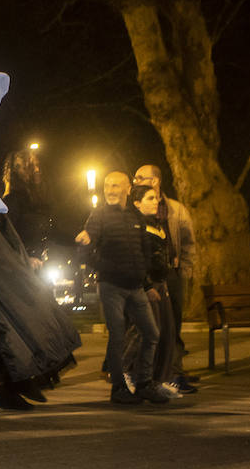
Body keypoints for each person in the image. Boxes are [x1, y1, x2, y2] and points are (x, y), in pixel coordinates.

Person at [75, 172, 167, 405]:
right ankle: (118, 389)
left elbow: (143, 247)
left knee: (151, 333)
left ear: (128, 189)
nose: (110, 189)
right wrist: (104, 266)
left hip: (136, 287)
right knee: (117, 336)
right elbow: (86, 248)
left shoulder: (134, 215)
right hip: (111, 287)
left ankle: (144, 384)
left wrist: (146, 282)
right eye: (107, 185)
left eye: (116, 185)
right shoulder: (99, 215)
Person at [131, 164, 198, 393]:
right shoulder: (134, 210)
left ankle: (173, 372)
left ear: (155, 181)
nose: (135, 180)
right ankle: (145, 375)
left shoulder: (175, 209)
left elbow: (188, 240)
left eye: (140, 177)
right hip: (147, 277)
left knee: (172, 325)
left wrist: (185, 269)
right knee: (148, 327)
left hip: (172, 274)